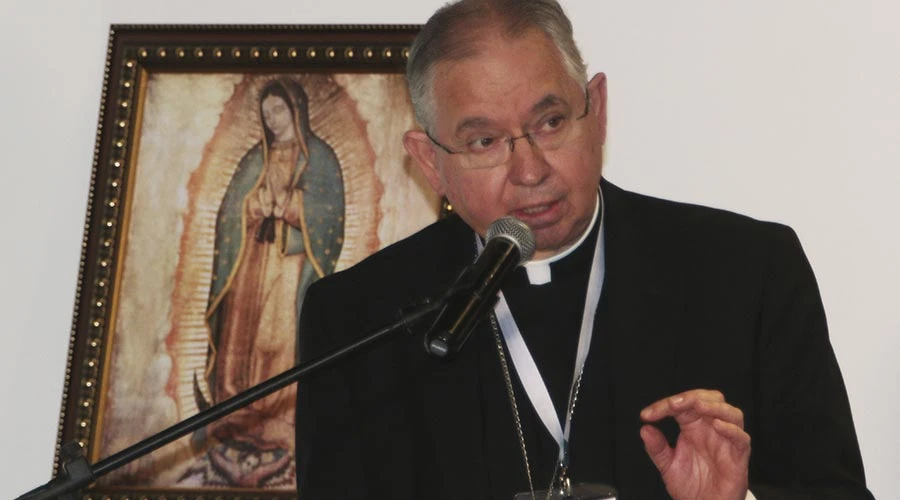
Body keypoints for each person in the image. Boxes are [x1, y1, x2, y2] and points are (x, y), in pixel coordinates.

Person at [295, 1, 872, 498]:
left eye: (550, 122)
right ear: (429, 161)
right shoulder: (357, 321)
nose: (529, 170)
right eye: (485, 141)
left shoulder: (747, 274)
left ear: (596, 109)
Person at [201, 78, 344, 486]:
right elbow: (231, 210)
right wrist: (252, 206)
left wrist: (292, 207)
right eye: (266, 114)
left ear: (296, 110)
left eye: (278, 110)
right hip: (251, 262)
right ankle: (234, 418)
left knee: (278, 339)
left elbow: (329, 216)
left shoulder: (319, 158)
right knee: (240, 338)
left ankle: (278, 424)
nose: (273, 120)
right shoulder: (255, 158)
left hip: (290, 265)